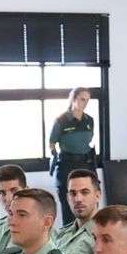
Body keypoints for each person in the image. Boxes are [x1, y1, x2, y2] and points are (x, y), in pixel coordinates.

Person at [49, 87, 96, 224]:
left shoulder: (89, 120)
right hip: (67, 166)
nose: (85, 103)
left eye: (87, 100)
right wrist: (54, 155)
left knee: (89, 206)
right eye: (82, 99)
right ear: (73, 100)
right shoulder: (61, 120)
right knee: (70, 208)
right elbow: (52, 143)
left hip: (86, 165)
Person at [51, 169, 100, 254]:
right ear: (67, 198)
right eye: (73, 193)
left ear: (97, 196)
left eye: (85, 192)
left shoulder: (104, 237)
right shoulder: (61, 235)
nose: (78, 199)